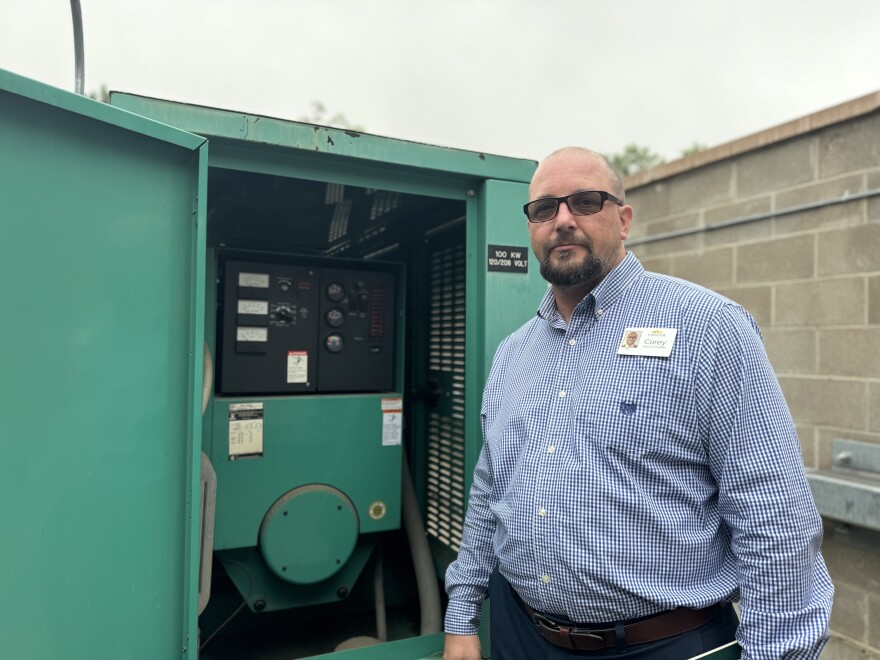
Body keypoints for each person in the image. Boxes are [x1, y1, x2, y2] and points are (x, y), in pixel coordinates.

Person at [443, 147, 833, 659]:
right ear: (532, 227)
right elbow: (489, 490)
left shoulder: (708, 328)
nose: (563, 220)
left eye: (585, 201)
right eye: (544, 209)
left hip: (661, 643)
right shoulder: (515, 353)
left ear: (623, 219)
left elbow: (775, 518)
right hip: (521, 637)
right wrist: (461, 617)